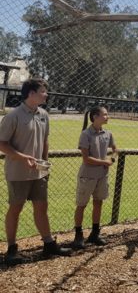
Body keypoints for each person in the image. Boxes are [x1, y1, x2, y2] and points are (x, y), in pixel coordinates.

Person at [0, 78, 72, 265]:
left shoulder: (44, 114)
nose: (46, 94)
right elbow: (2, 144)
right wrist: (23, 158)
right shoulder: (13, 116)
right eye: (43, 91)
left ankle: (48, 245)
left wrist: (45, 163)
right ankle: (12, 249)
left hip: (39, 172)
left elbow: (45, 141)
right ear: (31, 94)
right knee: (16, 208)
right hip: (18, 172)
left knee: (42, 207)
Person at [72, 106, 117, 249]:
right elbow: (86, 159)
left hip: (102, 176)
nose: (107, 116)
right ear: (95, 117)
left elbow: (116, 150)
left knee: (98, 203)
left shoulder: (108, 133)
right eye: (105, 114)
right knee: (81, 205)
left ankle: (95, 234)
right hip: (87, 176)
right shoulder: (85, 134)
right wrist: (105, 162)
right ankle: (78, 235)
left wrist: (113, 159)